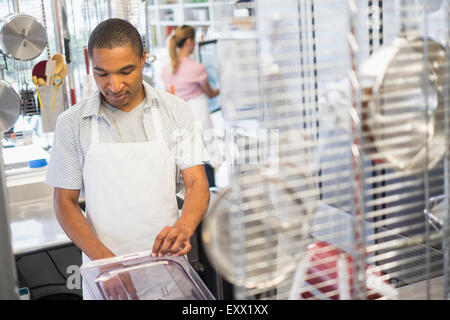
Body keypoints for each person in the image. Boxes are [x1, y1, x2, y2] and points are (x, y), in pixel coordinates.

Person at [45, 18, 210, 300]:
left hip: (168, 274)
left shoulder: (175, 112)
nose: (114, 85)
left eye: (126, 71)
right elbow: (65, 202)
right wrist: (109, 267)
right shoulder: (72, 123)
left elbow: (196, 185)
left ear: (143, 59)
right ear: (89, 63)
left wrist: (184, 227)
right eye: (102, 73)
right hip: (105, 275)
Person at [161, 25, 219, 187]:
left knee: (190, 155)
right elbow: (210, 93)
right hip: (199, 111)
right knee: (207, 151)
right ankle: (210, 188)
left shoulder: (166, 70)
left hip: (178, 117)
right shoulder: (196, 68)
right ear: (189, 42)